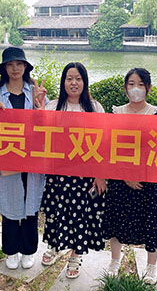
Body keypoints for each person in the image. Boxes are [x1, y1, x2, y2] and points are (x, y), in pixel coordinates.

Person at [40, 62, 107, 279]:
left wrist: (100, 174)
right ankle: (54, 246)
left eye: (78, 78)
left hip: (84, 173)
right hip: (58, 172)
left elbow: (103, 143)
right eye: (69, 78)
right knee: (56, 212)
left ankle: (76, 256)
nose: (74, 83)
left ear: (85, 82)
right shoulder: (53, 106)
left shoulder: (95, 108)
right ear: (63, 82)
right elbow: (39, 135)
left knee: (80, 215)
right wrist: (38, 109)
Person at [102, 68, 157, 284]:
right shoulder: (116, 112)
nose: (135, 88)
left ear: (149, 88)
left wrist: (140, 174)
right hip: (120, 178)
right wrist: (125, 175)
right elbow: (109, 147)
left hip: (148, 180)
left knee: (152, 221)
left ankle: (151, 267)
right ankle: (114, 261)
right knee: (116, 220)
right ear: (125, 88)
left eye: (140, 84)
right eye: (131, 84)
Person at [0, 47, 47, 270]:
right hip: (7, 157)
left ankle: (29, 250)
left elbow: (47, 126)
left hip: (32, 158)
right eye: (10, 65)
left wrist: (40, 106)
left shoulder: (34, 90)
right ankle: (11, 250)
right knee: (9, 203)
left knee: (31, 203)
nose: (14, 68)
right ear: (4, 68)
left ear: (25, 66)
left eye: (19, 64)